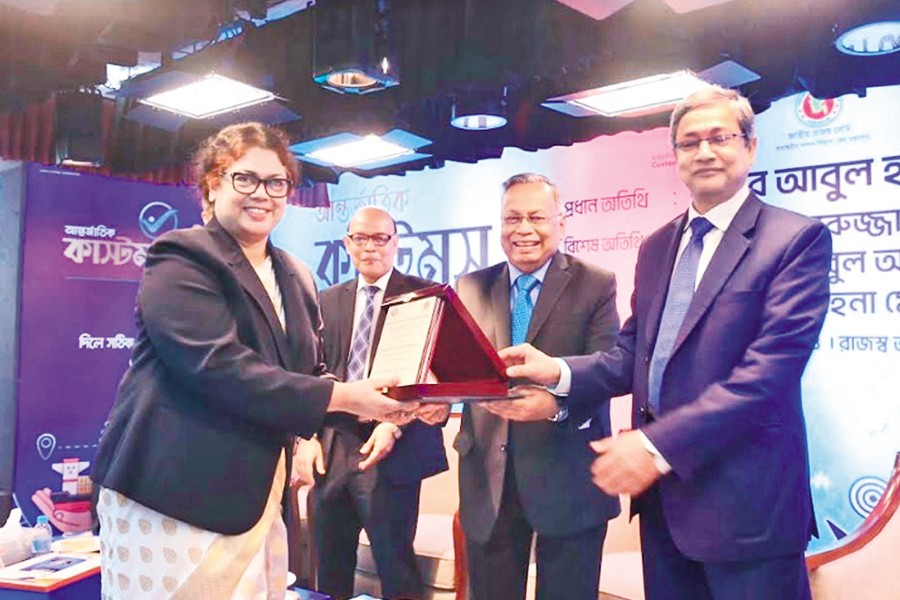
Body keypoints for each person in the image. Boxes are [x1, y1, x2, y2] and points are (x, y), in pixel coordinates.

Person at [500, 85, 832, 600]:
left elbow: (768, 376)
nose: (704, 152)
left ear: (750, 146)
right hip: (664, 509)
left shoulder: (794, 240)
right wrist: (558, 372)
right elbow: (632, 354)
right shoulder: (658, 246)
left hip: (748, 511)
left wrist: (655, 448)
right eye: (689, 142)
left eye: (719, 137)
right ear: (674, 155)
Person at [91, 122, 415, 600]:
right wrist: (347, 397)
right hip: (171, 495)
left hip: (257, 497)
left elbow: (310, 373)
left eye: (277, 182)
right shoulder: (181, 256)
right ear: (213, 183)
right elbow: (217, 367)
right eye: (245, 178)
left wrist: (391, 402)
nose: (262, 193)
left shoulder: (296, 275)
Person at [454, 173, 621, 600]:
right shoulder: (470, 287)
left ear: (561, 224)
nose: (523, 230)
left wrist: (554, 405)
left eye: (535, 217)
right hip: (488, 482)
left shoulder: (596, 283)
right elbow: (458, 371)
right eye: (512, 218)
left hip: (568, 479)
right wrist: (437, 398)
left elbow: (609, 368)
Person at [295, 206, 450, 600]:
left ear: (395, 242)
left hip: (394, 448)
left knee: (396, 567)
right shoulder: (326, 300)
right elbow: (312, 373)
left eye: (380, 238)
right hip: (333, 446)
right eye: (360, 239)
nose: (370, 248)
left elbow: (435, 377)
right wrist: (306, 437)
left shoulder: (426, 295)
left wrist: (394, 420)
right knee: (329, 566)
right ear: (347, 244)